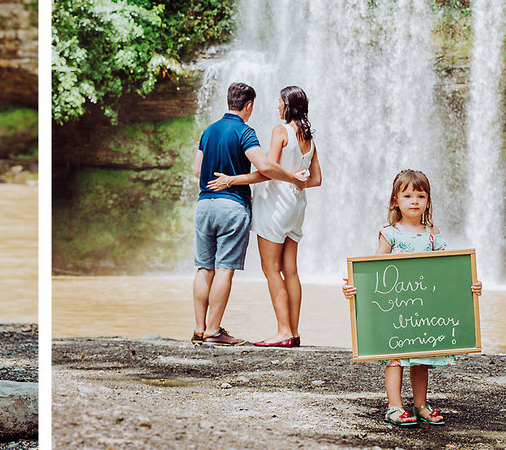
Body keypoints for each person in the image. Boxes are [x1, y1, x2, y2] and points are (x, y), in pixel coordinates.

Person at [342, 169, 482, 426]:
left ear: (428, 201)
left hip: (424, 309)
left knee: (421, 358)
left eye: (421, 196)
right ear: (395, 201)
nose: (414, 201)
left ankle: (420, 405)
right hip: (396, 309)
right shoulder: (390, 234)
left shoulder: (433, 234)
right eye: (407, 196)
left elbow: (448, 268)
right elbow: (374, 271)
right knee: (395, 358)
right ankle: (394, 407)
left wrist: (469, 284)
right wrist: (354, 287)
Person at [192, 82, 308, 345]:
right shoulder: (244, 132)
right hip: (231, 206)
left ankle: (199, 329)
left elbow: (198, 170)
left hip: (204, 204)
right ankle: (213, 331)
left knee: (204, 267)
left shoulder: (208, 131)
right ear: (249, 106)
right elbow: (265, 166)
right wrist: (293, 178)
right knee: (224, 269)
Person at [249, 86, 322, 347]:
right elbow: (316, 179)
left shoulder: (281, 131)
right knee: (290, 270)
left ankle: (282, 332)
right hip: (296, 207)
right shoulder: (308, 139)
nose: (277, 106)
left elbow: (268, 169)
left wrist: (236, 180)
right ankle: (294, 332)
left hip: (275, 206)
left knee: (270, 269)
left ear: (288, 105)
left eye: (280, 102)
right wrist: (298, 181)